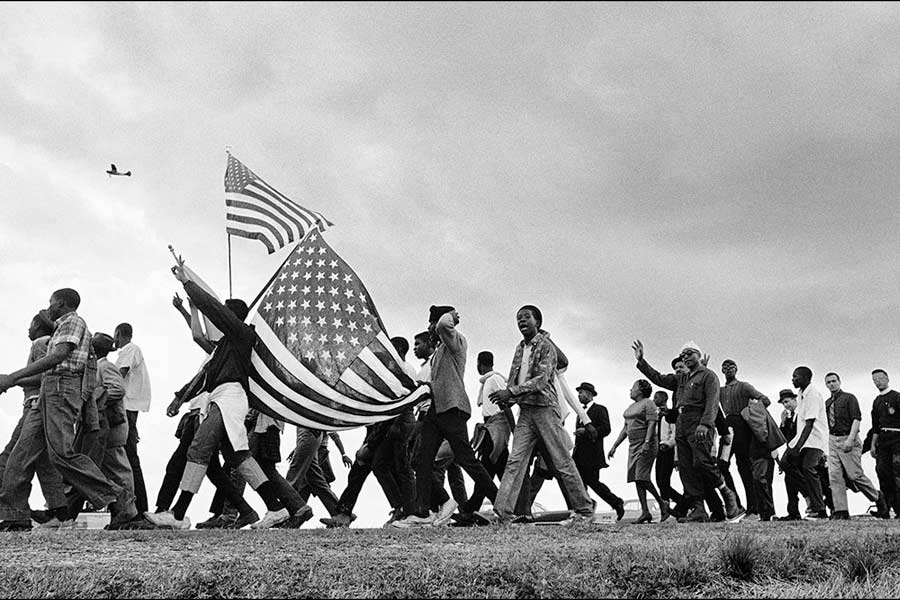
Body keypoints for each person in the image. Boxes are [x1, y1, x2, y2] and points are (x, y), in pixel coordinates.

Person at [146, 259, 292, 530]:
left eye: (225, 313)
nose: (220, 317)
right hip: (220, 398)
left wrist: (187, 283)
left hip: (230, 398)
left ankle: (177, 515)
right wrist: (180, 398)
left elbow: (213, 310)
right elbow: (205, 377)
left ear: (232, 317)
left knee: (198, 448)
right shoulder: (226, 344)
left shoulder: (242, 334)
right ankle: (276, 507)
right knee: (238, 457)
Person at [0, 288, 137, 531]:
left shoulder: (73, 322)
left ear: (61, 303)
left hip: (62, 389)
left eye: (51, 302)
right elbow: (49, 370)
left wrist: (13, 377)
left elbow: (58, 356)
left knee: (60, 454)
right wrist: (11, 380)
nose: (49, 307)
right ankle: (15, 515)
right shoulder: (62, 327)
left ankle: (117, 497)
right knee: (20, 454)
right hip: (50, 389)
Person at [393, 306, 499, 528]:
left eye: (431, 323)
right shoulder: (440, 351)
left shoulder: (456, 341)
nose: (430, 328)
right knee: (421, 460)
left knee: (466, 459)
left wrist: (450, 316)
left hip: (453, 409)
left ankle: (501, 504)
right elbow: (440, 381)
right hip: (436, 411)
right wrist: (423, 386)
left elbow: (443, 325)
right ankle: (422, 512)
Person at [488, 305, 593, 525]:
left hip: (545, 409)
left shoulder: (547, 347)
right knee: (515, 461)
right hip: (525, 411)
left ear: (538, 321)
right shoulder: (519, 348)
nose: (521, 321)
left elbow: (541, 380)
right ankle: (503, 513)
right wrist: (507, 397)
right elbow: (513, 377)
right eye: (518, 318)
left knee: (561, 459)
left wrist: (511, 392)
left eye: (526, 317)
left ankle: (584, 509)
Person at [632, 340, 743, 523]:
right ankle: (698, 509)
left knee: (702, 462)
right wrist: (642, 361)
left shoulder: (708, 376)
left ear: (698, 355)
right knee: (687, 468)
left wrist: (706, 424)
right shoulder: (682, 378)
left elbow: (713, 402)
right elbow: (658, 378)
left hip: (699, 423)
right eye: (683, 354)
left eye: (690, 353)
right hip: (682, 425)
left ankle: (727, 493)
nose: (686, 356)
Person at [0, 312, 68, 528]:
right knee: (43, 462)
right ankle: (60, 511)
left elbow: (44, 374)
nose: (28, 329)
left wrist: (13, 380)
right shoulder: (49, 342)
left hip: (34, 405)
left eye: (31, 324)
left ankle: (15, 514)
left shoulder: (40, 343)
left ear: (39, 328)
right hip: (41, 405)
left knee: (12, 458)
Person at [824, 372, 885, 520]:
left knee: (854, 475)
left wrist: (850, 439)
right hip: (833, 439)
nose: (831, 384)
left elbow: (856, 419)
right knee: (835, 476)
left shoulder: (849, 398)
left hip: (848, 437)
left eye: (834, 381)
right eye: (828, 382)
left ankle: (877, 497)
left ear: (839, 381)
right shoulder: (827, 403)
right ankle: (841, 510)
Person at [608, 379, 668, 523]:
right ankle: (645, 511)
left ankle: (662, 503)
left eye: (633, 388)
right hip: (633, 445)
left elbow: (652, 423)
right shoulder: (631, 407)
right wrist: (615, 445)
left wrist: (647, 442)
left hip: (646, 444)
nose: (630, 390)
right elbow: (626, 428)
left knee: (642, 476)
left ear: (640, 390)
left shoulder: (648, 403)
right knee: (637, 478)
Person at [718, 359, 770, 518]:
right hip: (727, 426)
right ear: (722, 371)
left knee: (745, 468)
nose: (728, 370)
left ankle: (753, 509)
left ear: (736, 369)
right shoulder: (720, 390)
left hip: (742, 426)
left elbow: (765, 400)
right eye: (725, 368)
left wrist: (750, 413)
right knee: (721, 465)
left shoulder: (744, 386)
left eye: (731, 367)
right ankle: (736, 505)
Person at [780, 366, 829, 519]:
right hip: (802, 440)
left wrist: (797, 448)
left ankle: (819, 508)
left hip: (815, 440)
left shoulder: (813, 395)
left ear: (806, 377)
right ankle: (807, 501)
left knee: (809, 468)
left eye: (796, 377)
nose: (793, 379)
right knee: (786, 465)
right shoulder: (802, 394)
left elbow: (809, 424)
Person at [572, 382, 624, 520]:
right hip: (579, 454)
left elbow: (606, 429)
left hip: (592, 454)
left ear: (589, 394)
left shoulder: (600, 409)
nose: (579, 395)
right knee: (579, 484)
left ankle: (615, 501)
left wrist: (587, 431)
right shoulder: (580, 413)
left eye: (581, 392)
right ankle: (586, 505)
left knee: (593, 482)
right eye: (578, 392)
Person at [114, 322, 152, 516]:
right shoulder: (131, 351)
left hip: (127, 407)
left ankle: (140, 508)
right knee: (128, 457)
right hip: (129, 407)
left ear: (119, 334)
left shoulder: (130, 349)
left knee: (128, 458)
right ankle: (137, 507)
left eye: (115, 336)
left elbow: (119, 376)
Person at [871, 369, 900, 518]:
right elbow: (875, 425)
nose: (878, 381)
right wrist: (873, 444)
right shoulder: (876, 401)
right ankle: (885, 509)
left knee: (898, 473)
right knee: (882, 472)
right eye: (874, 379)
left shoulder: (897, 397)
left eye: (880, 378)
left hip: (897, 439)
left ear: (887, 378)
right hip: (883, 440)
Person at [652, 388, 686, 518]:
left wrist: (669, 445)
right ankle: (671, 506)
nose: (654, 400)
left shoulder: (670, 415)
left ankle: (677, 504)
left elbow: (675, 434)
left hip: (668, 450)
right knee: (659, 481)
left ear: (663, 399)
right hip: (658, 450)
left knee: (663, 481)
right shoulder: (657, 416)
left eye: (656, 397)